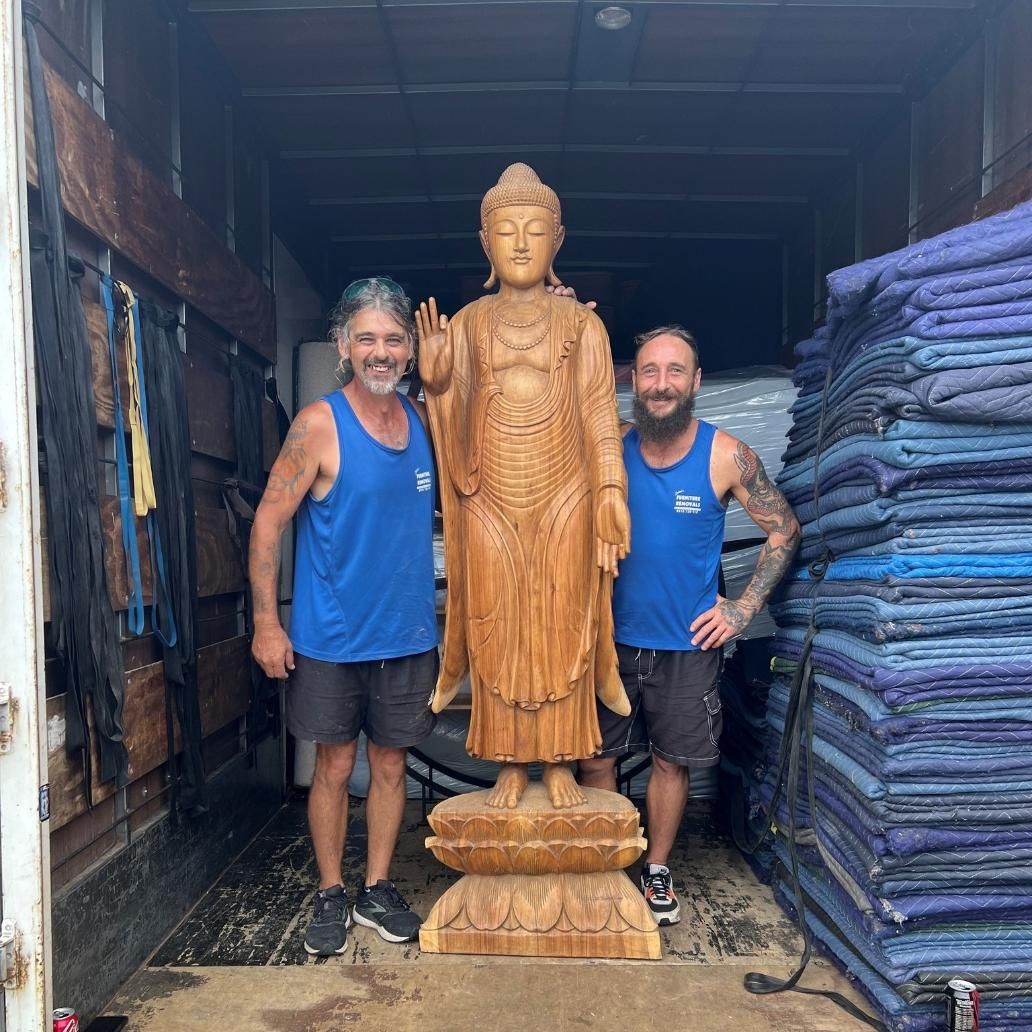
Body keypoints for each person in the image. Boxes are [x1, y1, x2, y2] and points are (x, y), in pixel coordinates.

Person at [414, 163, 631, 812]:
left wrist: (612, 491)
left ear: (557, 240)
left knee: (565, 620)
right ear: (485, 243)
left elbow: (598, 413)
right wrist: (435, 383)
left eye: (534, 230)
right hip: (489, 495)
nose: (519, 243)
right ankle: (509, 764)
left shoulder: (584, 329)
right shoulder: (470, 323)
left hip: (566, 490)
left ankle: (561, 763)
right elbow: (451, 410)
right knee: (497, 624)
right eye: (505, 230)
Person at [578, 325, 801, 925]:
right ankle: (606, 865)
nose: (661, 384)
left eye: (675, 371)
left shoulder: (727, 455)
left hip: (687, 643)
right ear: (632, 381)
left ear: (695, 381)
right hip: (610, 640)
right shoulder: (613, 452)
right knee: (597, 760)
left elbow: (784, 529)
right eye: (649, 371)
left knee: (670, 761)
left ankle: (655, 871)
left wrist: (742, 609)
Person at [249, 277, 437, 955]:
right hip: (332, 639)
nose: (380, 351)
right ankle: (331, 889)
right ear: (344, 345)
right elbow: (269, 521)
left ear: (410, 349)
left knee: (390, 769)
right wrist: (267, 623)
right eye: (367, 339)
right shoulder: (319, 424)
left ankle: (376, 889)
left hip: (408, 634)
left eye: (393, 338)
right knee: (333, 768)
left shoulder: (422, 420)